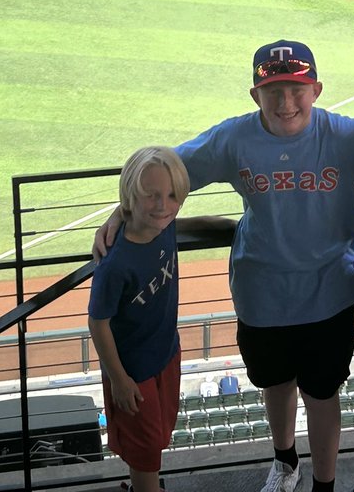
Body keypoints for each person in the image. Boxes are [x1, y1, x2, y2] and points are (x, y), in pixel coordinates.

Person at [94, 41, 354, 492]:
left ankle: (324, 485)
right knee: (274, 386)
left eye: (296, 89)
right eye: (273, 90)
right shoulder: (233, 139)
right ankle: (286, 461)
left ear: (315, 90)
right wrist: (122, 211)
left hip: (330, 294)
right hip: (262, 296)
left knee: (322, 395)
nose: (285, 102)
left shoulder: (347, 135)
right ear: (256, 95)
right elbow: (164, 170)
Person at [88, 147, 228, 492]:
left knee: (158, 437)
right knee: (146, 453)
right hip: (134, 372)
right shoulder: (115, 263)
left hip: (166, 353)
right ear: (130, 196)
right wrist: (119, 380)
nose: (163, 205)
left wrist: (239, 229)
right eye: (151, 195)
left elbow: (189, 225)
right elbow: (97, 321)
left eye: (172, 196)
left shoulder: (163, 227)